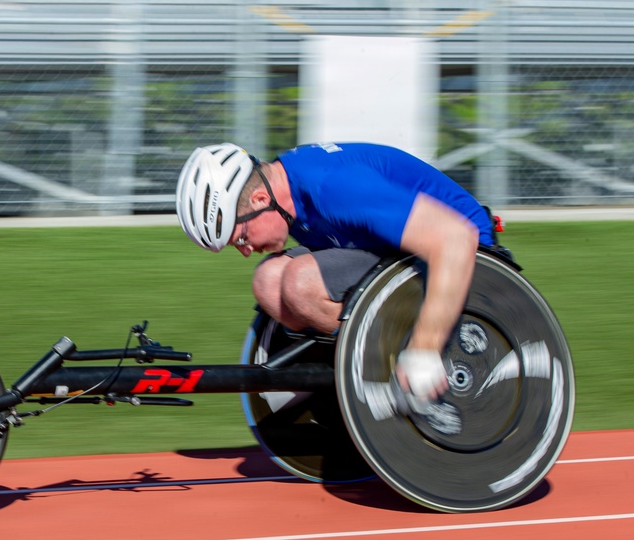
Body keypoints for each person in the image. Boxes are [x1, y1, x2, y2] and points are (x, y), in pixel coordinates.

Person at [175, 141, 496, 409]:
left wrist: (425, 349)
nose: (245, 251)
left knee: (301, 282)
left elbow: (455, 238)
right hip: (394, 250)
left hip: (458, 249)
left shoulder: (334, 186)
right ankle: (363, 365)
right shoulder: (286, 191)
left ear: (261, 199)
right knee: (268, 281)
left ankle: (399, 365)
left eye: (241, 238)